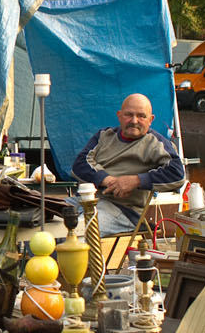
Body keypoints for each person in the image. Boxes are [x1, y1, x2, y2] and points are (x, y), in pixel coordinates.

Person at [70, 92, 187, 236]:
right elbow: (79, 165)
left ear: (151, 119)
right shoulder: (103, 136)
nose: (134, 121)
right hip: (84, 200)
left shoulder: (156, 143)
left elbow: (177, 174)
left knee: (77, 232)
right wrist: (108, 180)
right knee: (39, 216)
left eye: (141, 116)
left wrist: (136, 180)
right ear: (119, 115)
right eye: (128, 114)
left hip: (122, 210)